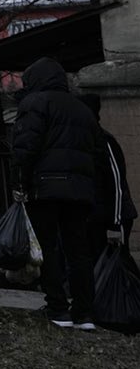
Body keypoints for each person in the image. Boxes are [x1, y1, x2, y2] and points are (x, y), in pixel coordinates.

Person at [11, 57, 103, 330]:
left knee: (47, 248)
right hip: (80, 191)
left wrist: (19, 183)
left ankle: (58, 308)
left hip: (46, 187)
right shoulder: (82, 109)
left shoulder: (35, 104)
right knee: (79, 251)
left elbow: (25, 148)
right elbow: (95, 152)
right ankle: (85, 313)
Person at [80, 94, 136, 253]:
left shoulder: (103, 140)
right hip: (101, 215)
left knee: (118, 264)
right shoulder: (91, 139)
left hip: (113, 215)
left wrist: (115, 224)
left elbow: (116, 182)